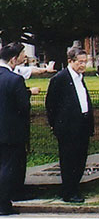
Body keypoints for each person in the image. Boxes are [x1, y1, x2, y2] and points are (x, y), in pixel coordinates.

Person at [45, 46, 94, 203]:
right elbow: (51, 104)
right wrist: (56, 124)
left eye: (85, 62)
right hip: (67, 127)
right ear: (70, 61)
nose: (83, 65)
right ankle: (69, 191)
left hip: (82, 125)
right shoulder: (60, 79)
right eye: (80, 62)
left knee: (80, 159)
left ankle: (75, 187)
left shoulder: (80, 78)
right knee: (69, 160)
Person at [0, 44, 32, 216]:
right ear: (13, 59)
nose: (23, 58)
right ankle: (3, 203)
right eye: (22, 56)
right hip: (10, 132)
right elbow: (23, 106)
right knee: (7, 167)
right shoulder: (14, 79)